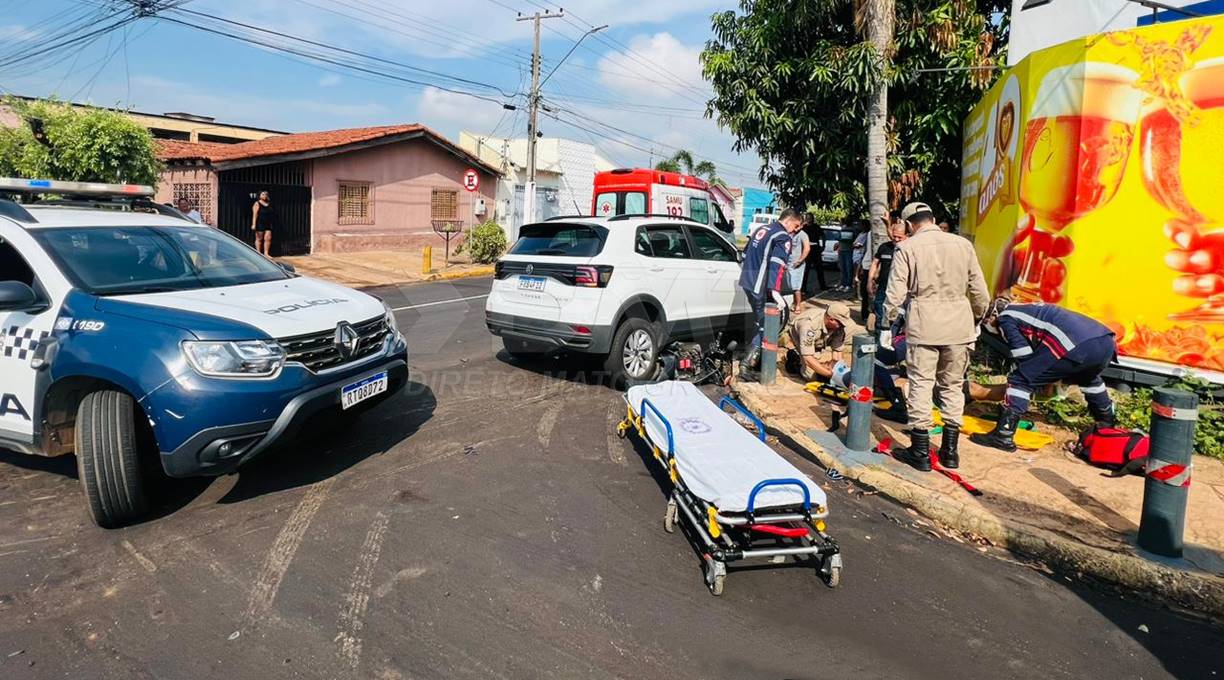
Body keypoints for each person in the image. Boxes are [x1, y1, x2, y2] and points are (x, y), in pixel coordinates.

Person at [884, 201, 990, 471]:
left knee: (920, 383)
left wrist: (887, 324)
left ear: (909, 224)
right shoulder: (962, 245)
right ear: (931, 219)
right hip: (959, 324)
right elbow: (979, 290)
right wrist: (977, 318)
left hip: (925, 324)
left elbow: (895, 293)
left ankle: (920, 451)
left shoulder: (906, 248)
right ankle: (950, 451)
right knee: (953, 386)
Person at [971, 297, 1118, 452]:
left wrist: (1040, 382)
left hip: (1074, 343)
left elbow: (1024, 356)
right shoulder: (1027, 308)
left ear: (992, 316)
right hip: (1106, 342)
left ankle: (1003, 435)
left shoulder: (1006, 318)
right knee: (1088, 378)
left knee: (1020, 379)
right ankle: (1107, 425)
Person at [738, 208, 801, 381]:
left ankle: (755, 362)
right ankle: (747, 366)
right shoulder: (783, 237)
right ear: (788, 220)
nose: (796, 230)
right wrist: (775, 291)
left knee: (760, 322)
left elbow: (744, 255)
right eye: (796, 226)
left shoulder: (762, 229)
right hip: (760, 285)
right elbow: (776, 265)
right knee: (767, 327)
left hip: (747, 281)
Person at [868, 219, 908, 334]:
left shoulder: (909, 249)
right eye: (894, 236)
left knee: (899, 314)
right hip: (883, 286)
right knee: (879, 308)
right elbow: (875, 263)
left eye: (899, 237)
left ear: (906, 235)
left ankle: (895, 335)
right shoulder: (884, 247)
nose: (896, 239)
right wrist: (869, 281)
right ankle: (879, 335)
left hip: (901, 290)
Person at [788, 222, 811, 311]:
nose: (796, 228)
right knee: (788, 285)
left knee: (796, 286)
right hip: (788, 263)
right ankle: (791, 303)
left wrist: (800, 260)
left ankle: (797, 305)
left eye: (798, 226)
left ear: (802, 226)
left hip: (797, 265)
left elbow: (807, 248)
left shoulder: (803, 235)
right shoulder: (789, 233)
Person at [802, 214, 827, 295]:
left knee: (819, 268)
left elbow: (823, 236)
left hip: (815, 248)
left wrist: (823, 245)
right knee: (806, 269)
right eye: (807, 218)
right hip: (807, 249)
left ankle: (823, 286)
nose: (808, 219)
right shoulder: (804, 227)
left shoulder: (816, 227)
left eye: (810, 218)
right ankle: (803, 288)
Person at [251, 190, 276, 256]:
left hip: (268, 223)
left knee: (268, 238)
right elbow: (255, 215)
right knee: (259, 238)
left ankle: (266, 253)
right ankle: (258, 253)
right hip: (260, 223)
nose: (264, 196)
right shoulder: (257, 203)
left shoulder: (269, 203)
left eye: (265, 194)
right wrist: (253, 224)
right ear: (259, 196)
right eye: (263, 194)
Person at [834, 224, 855, 291]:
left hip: (848, 250)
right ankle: (843, 284)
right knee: (843, 268)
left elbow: (853, 239)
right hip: (842, 249)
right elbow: (839, 237)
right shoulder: (843, 228)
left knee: (848, 268)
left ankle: (848, 284)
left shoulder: (852, 229)